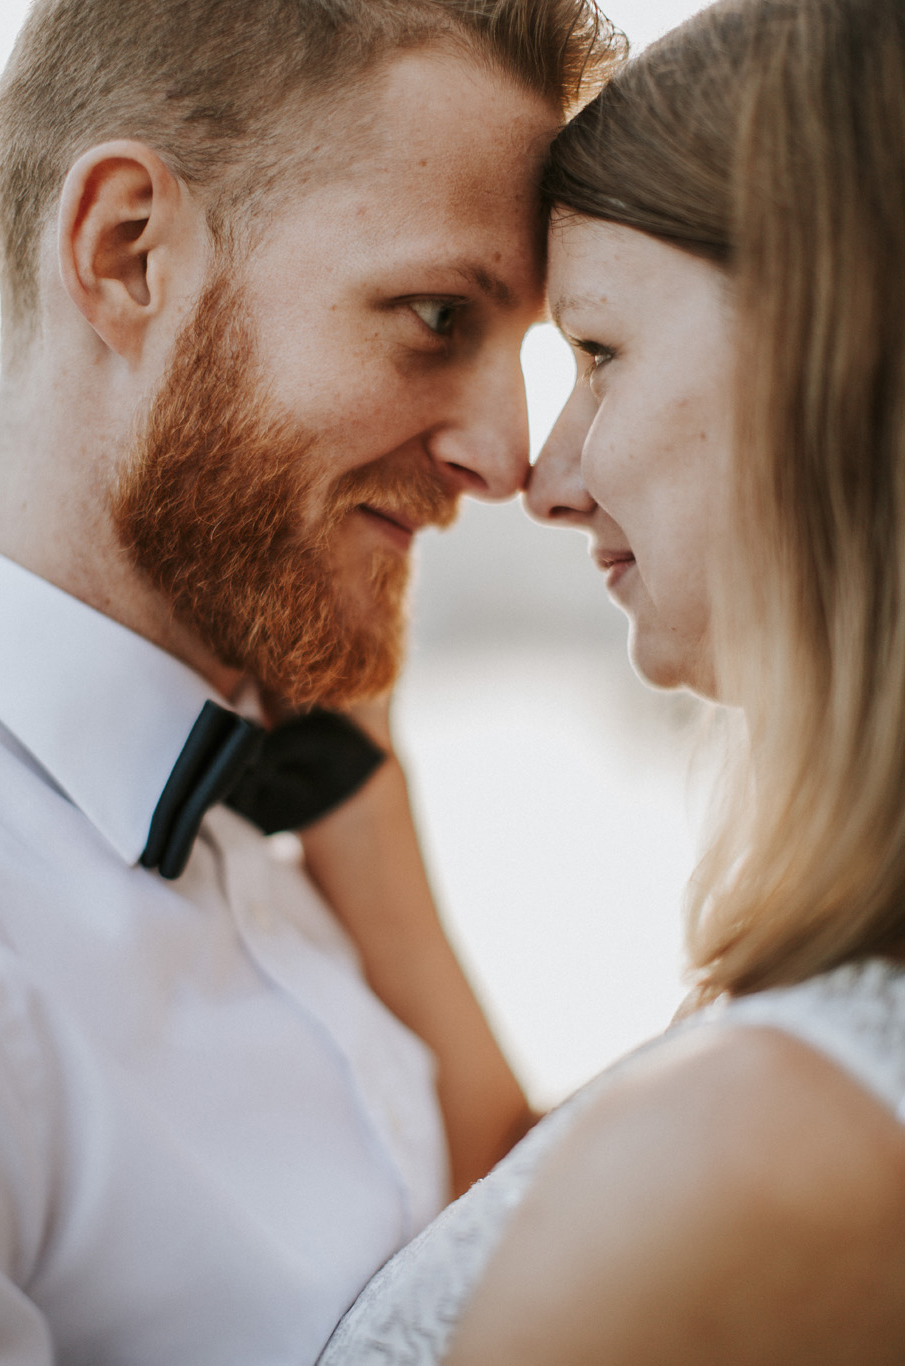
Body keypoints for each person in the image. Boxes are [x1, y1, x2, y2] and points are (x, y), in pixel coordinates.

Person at [0, 1, 623, 1360]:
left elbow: (496, 1260)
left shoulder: (283, 776)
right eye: (436, 316)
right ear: (126, 255)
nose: (509, 458)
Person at [318, 0, 905, 1360]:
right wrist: (361, 793)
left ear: (840, 349)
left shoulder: (764, 1145)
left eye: (598, 354)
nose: (544, 475)